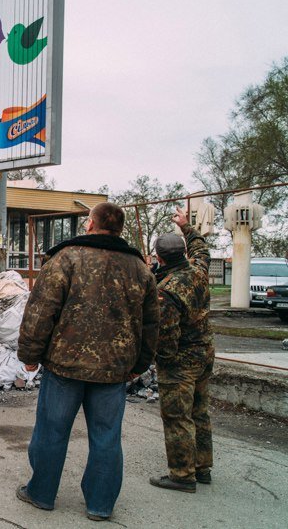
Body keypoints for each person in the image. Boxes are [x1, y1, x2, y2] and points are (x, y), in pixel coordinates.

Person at [16, 202, 159, 521]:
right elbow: (151, 322)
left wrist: (29, 354)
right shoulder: (139, 267)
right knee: (107, 436)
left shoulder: (66, 258)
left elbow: (41, 310)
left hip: (65, 364)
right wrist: (141, 362)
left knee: (52, 431)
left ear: (90, 224)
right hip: (114, 369)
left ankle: (41, 493)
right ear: (120, 228)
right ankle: (100, 504)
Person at [149, 207, 214, 492]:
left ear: (159, 258)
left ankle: (182, 474)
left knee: (177, 416)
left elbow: (166, 338)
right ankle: (202, 467)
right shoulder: (198, 270)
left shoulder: (167, 289)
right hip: (205, 352)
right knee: (200, 410)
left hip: (181, 361)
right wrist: (187, 226)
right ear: (183, 254)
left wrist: (161, 362)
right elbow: (202, 249)